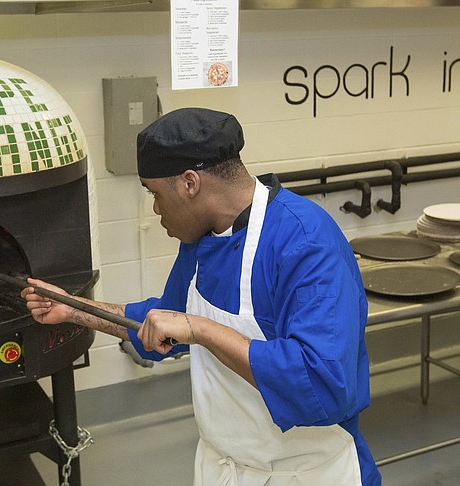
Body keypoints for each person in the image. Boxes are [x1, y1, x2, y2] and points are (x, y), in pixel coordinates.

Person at [21, 107, 382, 485]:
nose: (157, 211)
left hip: (308, 473)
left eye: (155, 194)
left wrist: (204, 330)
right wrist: (73, 310)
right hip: (224, 467)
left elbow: (324, 384)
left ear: (190, 183)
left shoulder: (305, 243)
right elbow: (167, 322)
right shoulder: (203, 239)